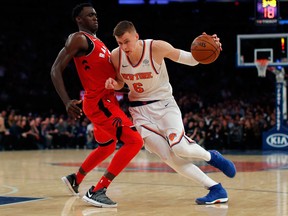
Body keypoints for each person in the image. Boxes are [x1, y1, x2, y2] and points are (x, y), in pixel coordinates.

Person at [105, 20, 236, 205]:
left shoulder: (156, 47)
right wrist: (114, 84)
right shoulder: (116, 56)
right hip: (139, 112)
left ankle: (212, 157)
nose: (123, 46)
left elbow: (191, 59)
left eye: (126, 41)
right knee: (168, 157)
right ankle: (216, 189)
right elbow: (120, 81)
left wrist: (211, 45)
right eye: (119, 43)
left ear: (136, 36)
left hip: (165, 105)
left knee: (180, 147)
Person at [50, 5, 143, 208]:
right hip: (101, 104)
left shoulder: (98, 42)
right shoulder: (78, 38)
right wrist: (66, 101)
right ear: (79, 19)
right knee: (134, 141)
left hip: (103, 102)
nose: (95, 17)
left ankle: (76, 178)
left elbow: (105, 77)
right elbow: (55, 68)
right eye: (90, 15)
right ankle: (98, 190)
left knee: (107, 145)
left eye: (96, 14)